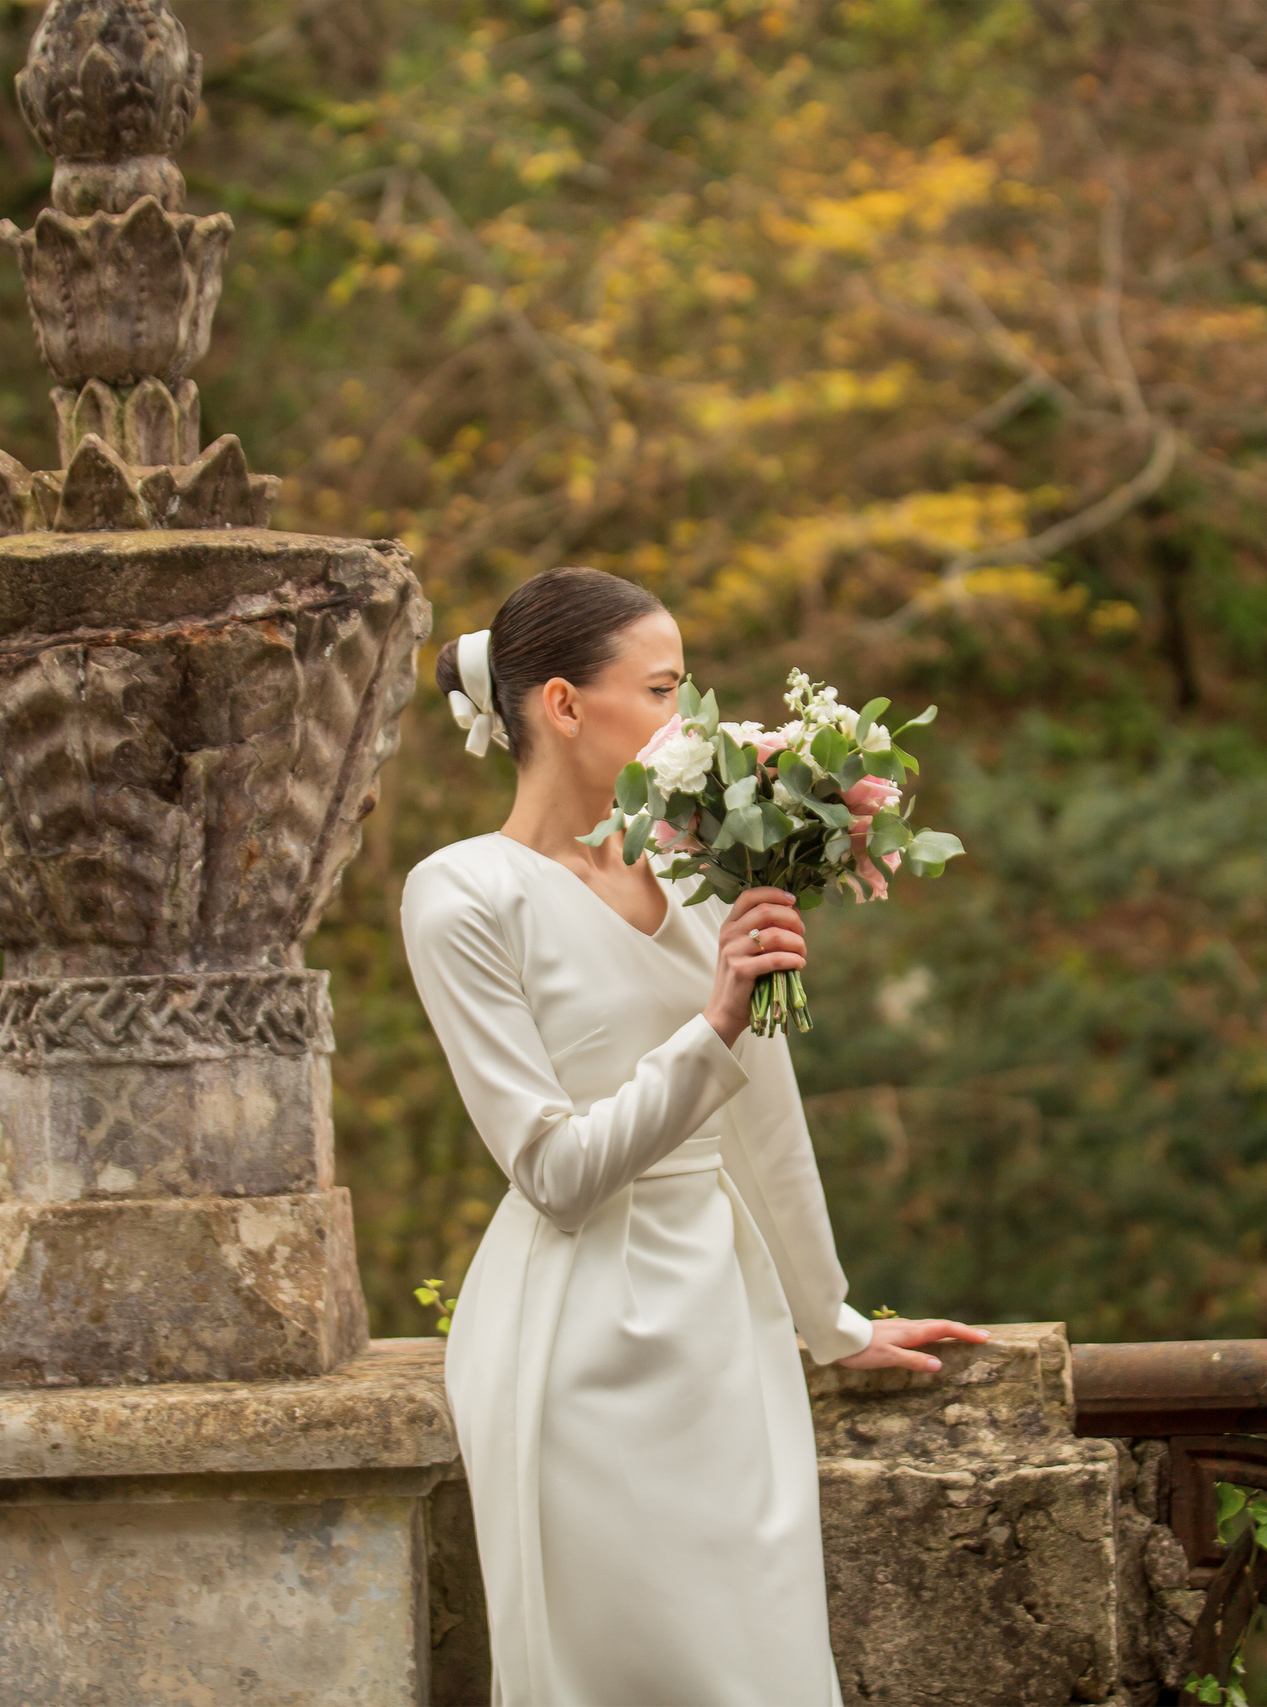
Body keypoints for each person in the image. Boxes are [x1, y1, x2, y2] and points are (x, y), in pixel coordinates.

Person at [398, 565, 988, 1706]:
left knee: (760, 1663)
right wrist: (717, 1015)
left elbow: (767, 1116)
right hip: (578, 1335)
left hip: (725, 1320)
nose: (692, 722)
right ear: (563, 704)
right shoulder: (461, 895)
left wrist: (829, 1320)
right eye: (663, 690)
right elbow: (554, 1173)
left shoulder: (696, 867)